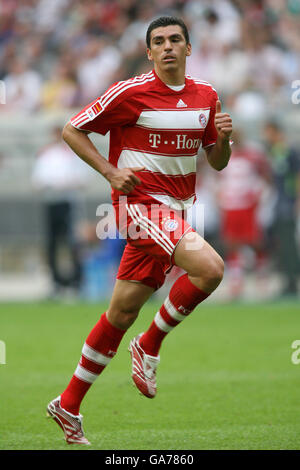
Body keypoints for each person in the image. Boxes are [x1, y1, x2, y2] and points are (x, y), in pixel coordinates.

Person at [46, 16, 233, 445]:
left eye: (175, 40)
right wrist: (111, 173)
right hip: (138, 208)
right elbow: (71, 129)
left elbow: (217, 161)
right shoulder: (130, 92)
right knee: (210, 269)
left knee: (121, 313)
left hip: (178, 213)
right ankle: (149, 344)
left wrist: (223, 140)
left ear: (189, 48)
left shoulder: (207, 96)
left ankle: (68, 404)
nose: (168, 47)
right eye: (159, 42)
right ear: (149, 53)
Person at [32, 126, 89, 299]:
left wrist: (65, 183)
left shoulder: (72, 154)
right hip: (51, 202)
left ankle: (76, 282)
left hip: (68, 202)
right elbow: (37, 181)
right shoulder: (46, 155)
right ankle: (56, 282)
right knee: (52, 243)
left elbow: (83, 179)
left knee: (73, 242)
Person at [217, 128, 271, 299]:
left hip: (248, 205)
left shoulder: (253, 156)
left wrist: (260, 194)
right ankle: (236, 281)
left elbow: (265, 175)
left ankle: (262, 276)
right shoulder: (223, 156)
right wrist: (220, 197)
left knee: (255, 241)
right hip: (231, 205)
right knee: (232, 243)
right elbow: (218, 180)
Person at [263, 120, 300, 298]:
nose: (266, 136)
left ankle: (292, 283)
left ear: (276, 132)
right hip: (278, 203)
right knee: (282, 243)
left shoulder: (289, 151)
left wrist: (297, 201)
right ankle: (287, 281)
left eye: (268, 132)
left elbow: (296, 176)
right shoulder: (275, 152)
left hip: (287, 203)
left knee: (288, 244)